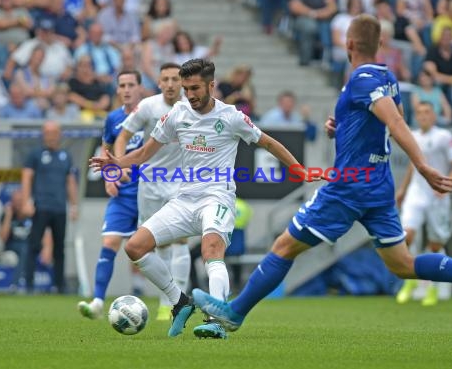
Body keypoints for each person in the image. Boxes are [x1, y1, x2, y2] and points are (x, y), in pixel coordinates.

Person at [191, 14, 452, 334]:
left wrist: (423, 165)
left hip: (350, 184)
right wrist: (342, 127)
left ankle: (234, 313)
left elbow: (395, 123)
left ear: (349, 44)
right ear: (380, 44)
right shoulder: (387, 78)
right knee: (402, 264)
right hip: (378, 182)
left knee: (284, 247)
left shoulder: (362, 80)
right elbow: (383, 119)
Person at [89, 58, 307, 339]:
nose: (190, 95)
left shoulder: (231, 116)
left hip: (217, 197)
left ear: (211, 85)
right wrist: (118, 162)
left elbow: (268, 142)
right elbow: (144, 153)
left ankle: (217, 320)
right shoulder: (178, 115)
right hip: (184, 199)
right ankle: (179, 302)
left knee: (211, 251)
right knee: (134, 247)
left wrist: (297, 168)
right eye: (186, 88)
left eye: (195, 88)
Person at [113, 63, 191, 322]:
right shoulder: (148, 106)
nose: (170, 84)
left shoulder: (193, 107)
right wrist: (120, 162)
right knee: (152, 242)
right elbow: (123, 135)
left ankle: (174, 302)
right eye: (165, 79)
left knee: (179, 240)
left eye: (174, 79)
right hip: (149, 182)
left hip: (181, 182)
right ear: (158, 83)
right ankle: (167, 298)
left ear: (182, 82)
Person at [77, 70, 144, 319]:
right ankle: (96, 301)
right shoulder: (113, 119)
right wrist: (109, 178)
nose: (127, 89)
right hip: (124, 195)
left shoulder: (150, 116)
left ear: (140, 88)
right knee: (110, 243)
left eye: (131, 85)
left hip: (150, 193)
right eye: (122, 85)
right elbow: (106, 155)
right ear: (117, 90)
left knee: (143, 250)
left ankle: (166, 300)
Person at [395, 101, 452, 306]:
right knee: (406, 235)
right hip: (416, 193)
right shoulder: (413, 136)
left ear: (434, 116)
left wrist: (448, 185)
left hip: (437, 194)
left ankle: (433, 287)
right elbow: (412, 166)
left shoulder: (444, 136)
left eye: (427, 112)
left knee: (435, 244)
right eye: (419, 113)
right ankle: (411, 280)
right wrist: (403, 190)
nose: (423, 116)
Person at [22, 120, 78, 294]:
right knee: (34, 245)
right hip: (41, 206)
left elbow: (70, 181)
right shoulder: (35, 155)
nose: (51, 136)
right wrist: (26, 201)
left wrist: (74, 205)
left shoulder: (65, 156)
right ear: (43, 135)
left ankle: (59, 285)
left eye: (54, 133)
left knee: (60, 247)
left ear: (59, 135)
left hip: (60, 208)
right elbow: (26, 177)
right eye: (48, 133)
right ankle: (29, 284)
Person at [0, 189, 34, 291]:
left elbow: (43, 234)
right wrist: (8, 216)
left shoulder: (32, 216)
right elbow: (3, 238)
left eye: (20, 201)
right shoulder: (7, 216)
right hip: (12, 247)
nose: (18, 204)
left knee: (26, 248)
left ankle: (17, 284)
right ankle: (16, 284)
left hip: (29, 247)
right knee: (24, 249)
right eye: (16, 201)